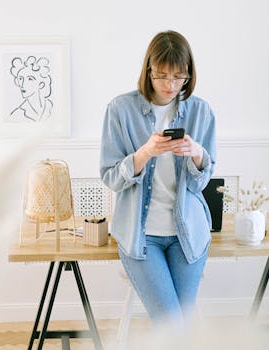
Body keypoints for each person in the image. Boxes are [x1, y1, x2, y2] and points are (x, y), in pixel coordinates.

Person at [99, 30, 217, 327]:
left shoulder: (201, 112)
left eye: (179, 77)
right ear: (148, 70)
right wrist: (144, 153)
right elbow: (111, 177)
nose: (170, 85)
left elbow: (202, 182)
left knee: (178, 325)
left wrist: (197, 153)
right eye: (162, 75)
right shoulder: (120, 110)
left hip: (187, 234)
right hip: (142, 237)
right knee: (171, 325)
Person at [8, 56, 53, 122]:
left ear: (41, 84)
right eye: (20, 78)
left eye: (30, 79)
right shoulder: (18, 114)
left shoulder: (50, 106)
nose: (23, 84)